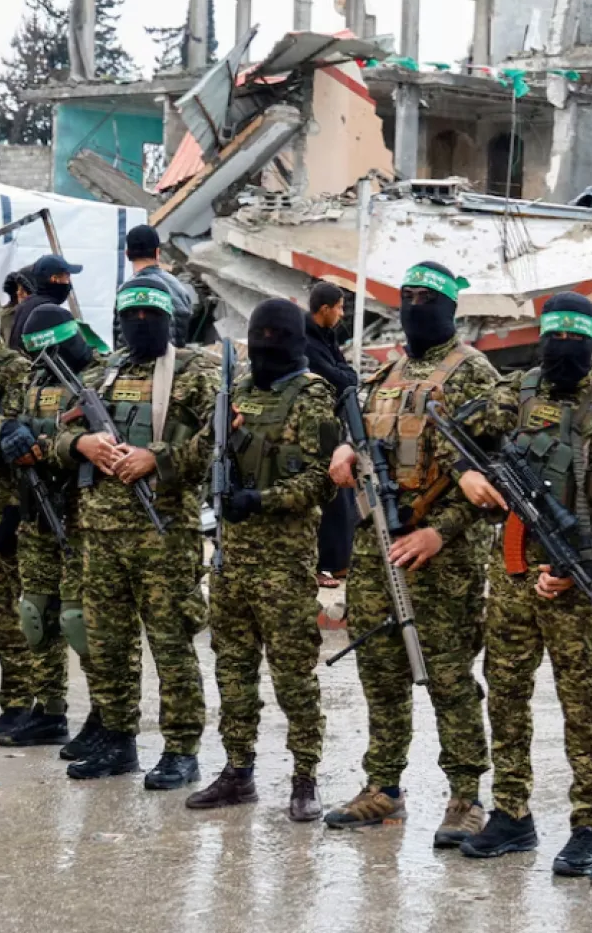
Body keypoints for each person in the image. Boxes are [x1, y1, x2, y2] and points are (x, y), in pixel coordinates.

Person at [454, 291, 592, 876]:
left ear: (591, 343)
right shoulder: (514, 393)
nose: (561, 348)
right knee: (506, 696)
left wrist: (589, 565)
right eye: (552, 336)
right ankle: (512, 814)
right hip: (511, 573)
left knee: (580, 704)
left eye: (573, 338)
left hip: (575, 577)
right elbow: (451, 429)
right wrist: (467, 474)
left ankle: (589, 824)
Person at [322, 261, 497, 850]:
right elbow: (370, 435)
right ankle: (383, 787)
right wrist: (345, 449)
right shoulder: (389, 372)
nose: (415, 309)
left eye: (427, 300)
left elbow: (494, 477)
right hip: (377, 549)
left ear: (449, 310)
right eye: (408, 299)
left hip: (439, 556)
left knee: (448, 678)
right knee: (381, 673)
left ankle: (466, 795)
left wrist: (440, 532)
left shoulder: (474, 374)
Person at [52, 273, 214, 789]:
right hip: (100, 534)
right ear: (119, 323)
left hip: (163, 534)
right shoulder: (102, 374)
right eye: (132, 316)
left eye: (152, 316)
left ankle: (182, 748)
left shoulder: (196, 374)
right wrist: (83, 447)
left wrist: (156, 458)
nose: (142, 324)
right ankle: (118, 738)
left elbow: (219, 446)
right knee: (107, 645)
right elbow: (62, 429)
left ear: (170, 320)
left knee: (171, 644)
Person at [185, 299, 339, 821]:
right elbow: (203, 454)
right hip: (230, 561)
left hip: (284, 563)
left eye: (277, 334)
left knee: (294, 676)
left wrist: (263, 500)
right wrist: (219, 437)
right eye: (260, 334)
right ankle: (238, 771)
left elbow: (322, 480)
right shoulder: (238, 393)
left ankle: (304, 777)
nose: (268, 343)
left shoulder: (314, 397)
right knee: (232, 670)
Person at [0, 305, 109, 751]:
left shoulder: (100, 378)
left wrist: (42, 441)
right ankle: (49, 710)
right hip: (36, 511)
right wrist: (4, 430)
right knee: (36, 614)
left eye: (56, 350)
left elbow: (101, 440)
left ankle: (104, 713)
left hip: (84, 518)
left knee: (82, 621)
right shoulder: (33, 378)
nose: (49, 360)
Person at [0, 285, 45, 741]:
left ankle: (20, 702)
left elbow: (29, 446)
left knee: (5, 616)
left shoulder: (18, 370)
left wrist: (15, 512)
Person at [304, 282, 358, 588]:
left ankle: (337, 562)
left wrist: (346, 377)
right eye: (338, 308)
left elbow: (347, 375)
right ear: (324, 310)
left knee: (341, 494)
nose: (341, 314)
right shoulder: (307, 343)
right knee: (323, 498)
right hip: (315, 431)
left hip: (334, 428)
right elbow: (339, 378)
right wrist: (346, 377)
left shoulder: (325, 337)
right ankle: (321, 564)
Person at [125, 225, 198, 347]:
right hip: (175, 363)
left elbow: (122, 345)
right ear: (157, 252)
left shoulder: (126, 292)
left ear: (127, 254)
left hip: (138, 364)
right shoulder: (178, 288)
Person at [9, 254, 82, 356]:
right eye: (67, 276)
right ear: (54, 279)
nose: (69, 282)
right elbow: (76, 354)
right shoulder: (49, 312)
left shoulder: (26, 304)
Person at [0, 268, 33, 346]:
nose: (19, 293)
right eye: (18, 289)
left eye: (24, 289)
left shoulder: (45, 313)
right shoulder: (3, 318)